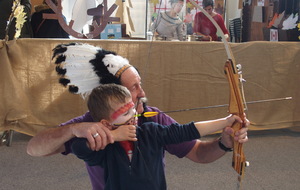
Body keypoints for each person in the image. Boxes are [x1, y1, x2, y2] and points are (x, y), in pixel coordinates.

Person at [27, 43, 249, 190]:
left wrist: (225, 142)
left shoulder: (152, 119)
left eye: (140, 84)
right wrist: (72, 130)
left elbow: (198, 152)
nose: (142, 93)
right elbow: (34, 148)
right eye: (133, 89)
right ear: (113, 95)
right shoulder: (89, 125)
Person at [72, 83, 246, 190]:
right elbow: (78, 148)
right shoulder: (103, 147)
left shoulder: (150, 132)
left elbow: (186, 131)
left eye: (133, 108)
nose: (134, 114)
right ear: (107, 123)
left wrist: (226, 121)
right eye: (125, 113)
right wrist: (112, 136)